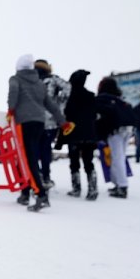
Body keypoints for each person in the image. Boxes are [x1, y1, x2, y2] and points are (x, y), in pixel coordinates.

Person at [8, 54, 72, 212]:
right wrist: (62, 122)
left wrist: (10, 110)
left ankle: (40, 194)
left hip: (23, 122)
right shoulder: (39, 83)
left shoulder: (15, 79)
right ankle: (26, 192)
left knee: (26, 159)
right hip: (39, 123)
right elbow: (51, 105)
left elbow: (13, 93)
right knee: (31, 157)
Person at [60, 69, 99, 200]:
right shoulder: (91, 96)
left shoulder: (69, 97)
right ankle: (93, 189)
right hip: (89, 134)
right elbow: (95, 115)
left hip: (73, 134)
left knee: (74, 162)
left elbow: (65, 114)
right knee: (89, 162)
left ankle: (76, 188)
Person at [95, 77, 135, 198]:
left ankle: (122, 186)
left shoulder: (102, 99)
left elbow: (100, 118)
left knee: (117, 157)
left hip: (115, 131)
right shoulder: (120, 99)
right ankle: (118, 184)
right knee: (120, 157)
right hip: (127, 129)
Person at [34, 60, 71, 190]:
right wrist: (60, 104)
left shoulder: (31, 80)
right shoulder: (53, 79)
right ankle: (46, 177)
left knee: (33, 149)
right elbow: (68, 88)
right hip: (50, 120)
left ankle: (36, 175)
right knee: (46, 149)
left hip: (33, 120)